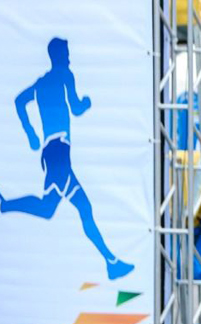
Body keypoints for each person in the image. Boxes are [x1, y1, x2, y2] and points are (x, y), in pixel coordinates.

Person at [0, 38, 133, 281]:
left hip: (52, 152)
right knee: (83, 208)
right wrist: (86, 102)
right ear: (59, 56)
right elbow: (76, 107)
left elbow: (19, 101)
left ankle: (5, 205)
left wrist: (31, 133)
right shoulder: (64, 74)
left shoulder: (41, 84)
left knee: (49, 208)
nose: (69, 58)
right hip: (59, 151)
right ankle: (111, 263)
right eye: (67, 53)